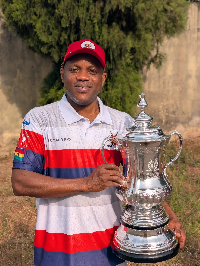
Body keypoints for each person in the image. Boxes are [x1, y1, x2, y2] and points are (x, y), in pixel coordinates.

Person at [11, 39, 186, 266]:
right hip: (56, 253)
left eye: (92, 71)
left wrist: (170, 217)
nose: (83, 77)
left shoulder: (122, 122)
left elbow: (141, 180)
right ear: (62, 73)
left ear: (102, 79)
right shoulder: (39, 119)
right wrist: (85, 183)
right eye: (75, 69)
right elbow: (20, 182)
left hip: (111, 250)